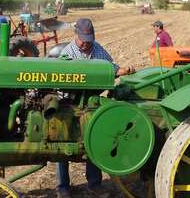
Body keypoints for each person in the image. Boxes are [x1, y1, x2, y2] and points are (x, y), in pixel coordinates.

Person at [56, 18, 135, 198]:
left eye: (89, 39)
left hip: (91, 104)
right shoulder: (68, 53)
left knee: (94, 141)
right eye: (83, 39)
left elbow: (111, 67)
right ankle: (62, 187)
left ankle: (94, 183)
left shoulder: (97, 49)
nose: (86, 43)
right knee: (62, 143)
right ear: (76, 34)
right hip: (70, 103)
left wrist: (123, 70)